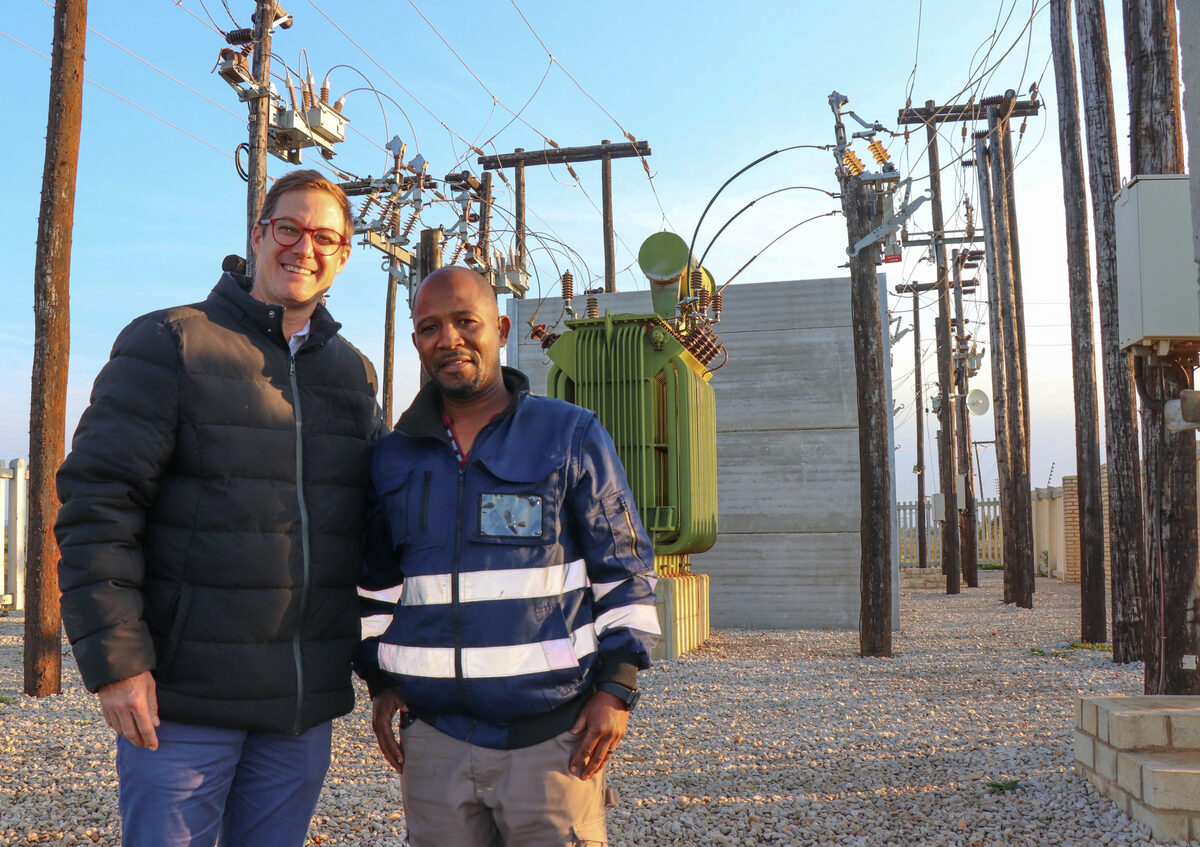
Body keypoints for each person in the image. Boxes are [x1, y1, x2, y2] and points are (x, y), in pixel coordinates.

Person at [56, 169, 384, 847]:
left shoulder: (352, 375)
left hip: (297, 710)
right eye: (289, 228)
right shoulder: (171, 343)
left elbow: (376, 524)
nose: (305, 248)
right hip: (183, 703)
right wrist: (117, 662)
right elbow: (97, 506)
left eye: (326, 236)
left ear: (345, 254)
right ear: (259, 234)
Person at [356, 265, 661, 847]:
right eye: (429, 327)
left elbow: (624, 568)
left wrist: (616, 687)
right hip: (435, 743)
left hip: (553, 742)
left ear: (498, 327)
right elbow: (375, 585)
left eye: (465, 321)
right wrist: (378, 678)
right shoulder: (391, 457)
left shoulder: (569, 433)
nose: (449, 339)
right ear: (416, 341)